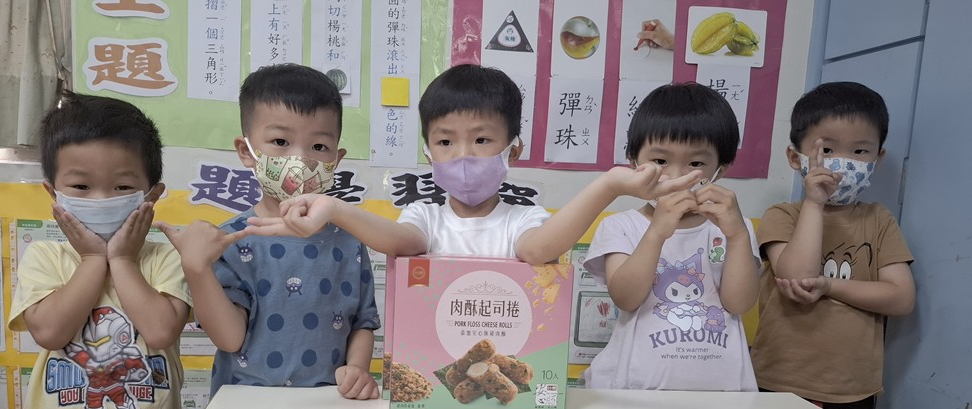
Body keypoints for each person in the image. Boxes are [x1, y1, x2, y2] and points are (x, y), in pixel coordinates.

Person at [244, 64, 702, 264]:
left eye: (482, 140)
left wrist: (609, 186)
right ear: (429, 154)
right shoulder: (425, 217)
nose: (463, 155)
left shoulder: (523, 221)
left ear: (512, 150)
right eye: (445, 141)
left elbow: (537, 251)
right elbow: (402, 244)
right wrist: (334, 208)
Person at [8, 92, 191, 409]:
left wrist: (123, 260)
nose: (101, 200)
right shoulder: (46, 258)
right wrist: (93, 259)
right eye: (81, 186)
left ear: (151, 195)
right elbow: (50, 331)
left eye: (122, 186)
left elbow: (159, 329)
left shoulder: (164, 258)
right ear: (54, 194)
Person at [158, 63, 380, 400]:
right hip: (247, 407)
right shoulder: (231, 240)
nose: (300, 159)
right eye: (280, 141)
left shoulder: (350, 240)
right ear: (246, 151)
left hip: (329, 406)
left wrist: (358, 369)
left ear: (336, 158)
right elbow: (229, 339)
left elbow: (362, 321)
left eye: (319, 147)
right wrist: (197, 268)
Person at [750, 81, 915, 409]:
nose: (844, 163)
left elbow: (901, 298)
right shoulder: (783, 215)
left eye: (860, 151)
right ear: (795, 158)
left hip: (852, 390)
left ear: (877, 159)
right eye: (827, 150)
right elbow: (796, 278)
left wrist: (828, 286)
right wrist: (814, 203)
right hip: (779, 380)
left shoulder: (879, 220)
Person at [582, 83, 760, 391]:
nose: (677, 177)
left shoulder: (735, 228)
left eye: (696, 164)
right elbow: (625, 299)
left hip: (722, 393)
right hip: (633, 393)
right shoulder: (621, 226)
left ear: (721, 168)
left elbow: (739, 303)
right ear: (633, 161)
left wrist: (738, 236)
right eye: (661, 161)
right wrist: (656, 232)